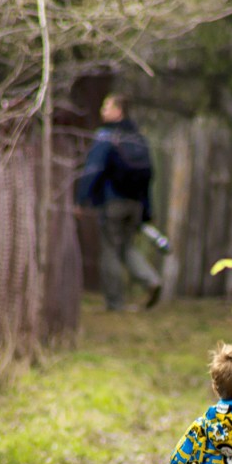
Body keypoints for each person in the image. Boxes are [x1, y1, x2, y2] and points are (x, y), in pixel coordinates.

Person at [76, 93, 163, 312]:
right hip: (135, 204)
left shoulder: (107, 136)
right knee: (126, 247)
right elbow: (149, 175)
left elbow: (93, 169)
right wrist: (147, 210)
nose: (102, 111)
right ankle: (151, 279)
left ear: (119, 111)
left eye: (107, 106)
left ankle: (115, 303)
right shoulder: (138, 138)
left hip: (112, 202)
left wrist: (81, 198)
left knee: (110, 251)